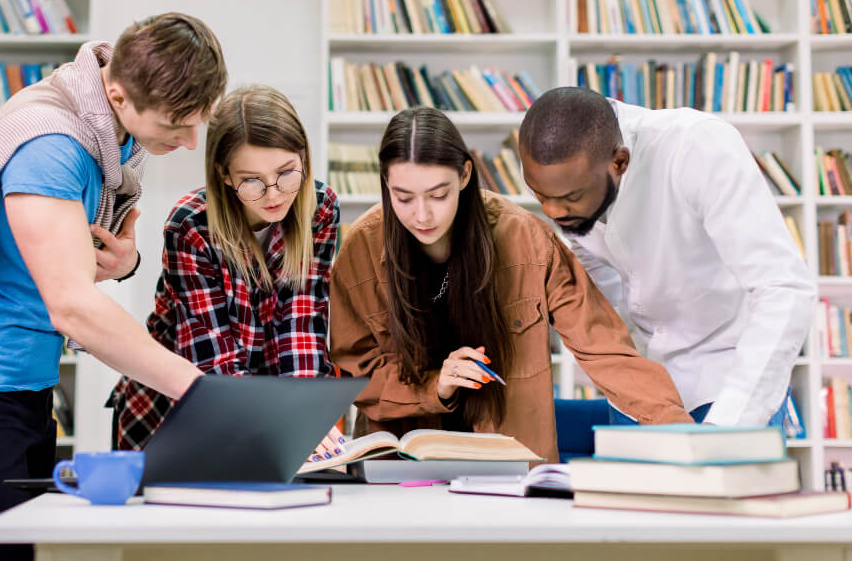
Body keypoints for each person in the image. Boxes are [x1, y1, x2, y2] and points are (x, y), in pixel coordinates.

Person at [0, 12, 228, 561]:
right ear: (119, 95)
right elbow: (72, 307)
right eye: (177, 125)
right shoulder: (51, 145)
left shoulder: (108, 129)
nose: (192, 142)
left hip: (24, 386)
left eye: (200, 122)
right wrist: (202, 392)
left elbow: (70, 260)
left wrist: (124, 263)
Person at [327, 107, 692, 464]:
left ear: (465, 174)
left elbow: (605, 349)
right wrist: (435, 386)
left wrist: (685, 437)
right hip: (398, 469)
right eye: (403, 197)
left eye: (438, 195)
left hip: (509, 468)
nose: (422, 215)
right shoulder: (360, 250)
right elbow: (358, 373)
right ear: (385, 184)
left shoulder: (526, 238)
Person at [517, 87, 816, 427]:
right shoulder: (560, 174)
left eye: (571, 198)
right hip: (643, 386)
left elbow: (783, 287)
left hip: (729, 378)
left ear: (620, 162)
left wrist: (730, 425)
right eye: (540, 195)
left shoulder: (697, 148)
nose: (553, 211)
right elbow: (600, 286)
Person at [110, 85, 344, 460]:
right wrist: (284, 424)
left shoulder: (321, 208)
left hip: (272, 407)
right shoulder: (191, 225)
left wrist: (304, 417)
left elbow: (302, 322)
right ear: (225, 175)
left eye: (286, 173)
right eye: (252, 180)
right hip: (175, 412)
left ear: (303, 157)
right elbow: (213, 362)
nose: (274, 194)